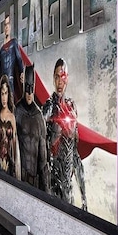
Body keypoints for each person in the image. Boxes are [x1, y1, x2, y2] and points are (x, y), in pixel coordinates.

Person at [42, 58, 87, 210]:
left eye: (63, 77)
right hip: (52, 182)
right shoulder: (48, 107)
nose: (60, 81)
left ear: (66, 78)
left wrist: (84, 196)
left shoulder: (72, 106)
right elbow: (42, 145)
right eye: (56, 76)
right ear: (53, 78)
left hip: (68, 185)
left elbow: (75, 154)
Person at [15, 65, 50, 192]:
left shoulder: (39, 116)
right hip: (19, 178)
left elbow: (43, 158)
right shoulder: (17, 111)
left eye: (32, 88)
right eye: (27, 88)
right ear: (24, 87)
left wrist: (47, 191)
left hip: (34, 183)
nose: (29, 93)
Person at [0, 15, 24, 102]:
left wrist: (22, 72)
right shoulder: (2, 49)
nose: (6, 27)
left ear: (10, 27)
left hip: (10, 80)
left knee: (11, 104)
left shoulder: (14, 43)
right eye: (5, 25)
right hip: (2, 82)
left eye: (8, 24)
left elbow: (19, 59)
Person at [0, 74, 20, 179]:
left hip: (10, 166)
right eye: (2, 94)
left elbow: (14, 145)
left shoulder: (12, 117)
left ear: (8, 94)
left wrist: (14, 167)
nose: (4, 97)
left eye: (6, 93)